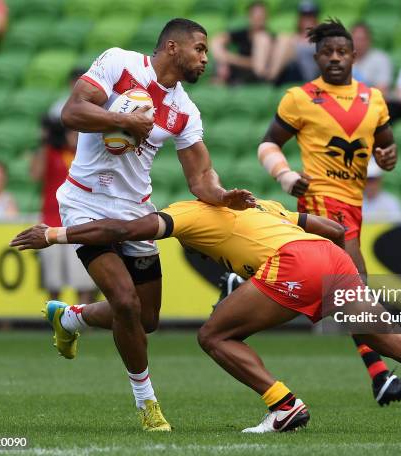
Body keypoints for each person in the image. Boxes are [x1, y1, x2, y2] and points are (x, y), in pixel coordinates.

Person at [11, 199, 401, 434]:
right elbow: (327, 225)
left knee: (213, 335)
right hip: (329, 257)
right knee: (395, 342)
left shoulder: (187, 210)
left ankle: (284, 406)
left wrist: (55, 235)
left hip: (297, 265)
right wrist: (344, 260)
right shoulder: (262, 205)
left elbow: (123, 231)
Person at [51, 18, 255, 432]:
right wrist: (122, 121)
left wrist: (220, 195)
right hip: (84, 202)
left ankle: (70, 317)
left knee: (145, 319)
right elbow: (72, 112)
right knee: (124, 302)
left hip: (135, 212)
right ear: (173, 48)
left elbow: (200, 176)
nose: (205, 58)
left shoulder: (184, 110)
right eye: (200, 49)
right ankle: (148, 404)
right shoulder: (119, 63)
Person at [257, 19, 401, 405]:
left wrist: (389, 155)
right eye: (327, 52)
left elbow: (386, 147)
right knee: (356, 283)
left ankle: (248, 276)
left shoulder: (374, 99)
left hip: (353, 205)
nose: (334, 58)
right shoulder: (299, 98)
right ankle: (381, 376)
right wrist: (284, 175)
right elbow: (268, 144)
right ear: (316, 57)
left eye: (341, 52)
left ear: (353, 55)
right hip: (320, 202)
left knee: (337, 291)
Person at [31, 117, 97, 304]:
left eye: (78, 132)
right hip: (52, 221)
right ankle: (56, 321)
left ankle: (81, 320)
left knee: (82, 280)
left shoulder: (88, 155)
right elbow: (36, 174)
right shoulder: (51, 153)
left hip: (80, 222)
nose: (74, 136)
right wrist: (44, 142)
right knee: (53, 281)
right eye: (71, 132)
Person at [211, 1, 272, 85]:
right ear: (249, 17)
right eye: (256, 16)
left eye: (261, 17)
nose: (258, 19)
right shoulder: (243, 33)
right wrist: (223, 61)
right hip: (236, 73)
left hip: (256, 77)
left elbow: (259, 66)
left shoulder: (269, 38)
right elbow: (217, 41)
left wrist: (232, 59)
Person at [265, 0, 320, 85]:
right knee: (279, 38)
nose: (307, 19)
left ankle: (270, 77)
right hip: (288, 72)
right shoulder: (292, 37)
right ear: (299, 18)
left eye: (310, 16)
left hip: (304, 75)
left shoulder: (320, 38)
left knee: (284, 39)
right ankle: (267, 75)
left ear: (316, 18)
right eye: (304, 16)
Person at [350, 22, 392, 96]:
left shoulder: (381, 59)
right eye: (355, 39)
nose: (358, 43)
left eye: (361, 39)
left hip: (371, 103)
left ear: (369, 40)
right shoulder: (342, 58)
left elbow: (382, 90)